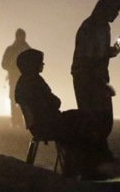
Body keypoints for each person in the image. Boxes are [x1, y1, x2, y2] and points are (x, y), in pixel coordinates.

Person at [14, 48, 105, 179]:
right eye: (41, 62)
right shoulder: (35, 82)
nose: (43, 64)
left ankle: (77, 168)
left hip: (40, 124)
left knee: (80, 118)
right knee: (85, 121)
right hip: (48, 124)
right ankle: (84, 169)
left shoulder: (23, 83)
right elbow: (53, 102)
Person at [71, 0, 120, 163]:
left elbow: (98, 53)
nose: (117, 14)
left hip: (96, 77)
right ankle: (90, 162)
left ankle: (98, 155)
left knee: (102, 119)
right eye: (115, 10)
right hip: (87, 78)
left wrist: (111, 51)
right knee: (94, 120)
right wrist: (100, 82)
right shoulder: (90, 26)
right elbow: (87, 59)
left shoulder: (103, 27)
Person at [0, 28, 30, 128]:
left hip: (23, 78)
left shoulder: (27, 49)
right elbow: (4, 64)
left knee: (22, 99)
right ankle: (15, 119)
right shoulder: (11, 49)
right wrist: (11, 67)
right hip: (14, 78)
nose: (23, 38)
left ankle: (18, 119)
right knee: (14, 98)